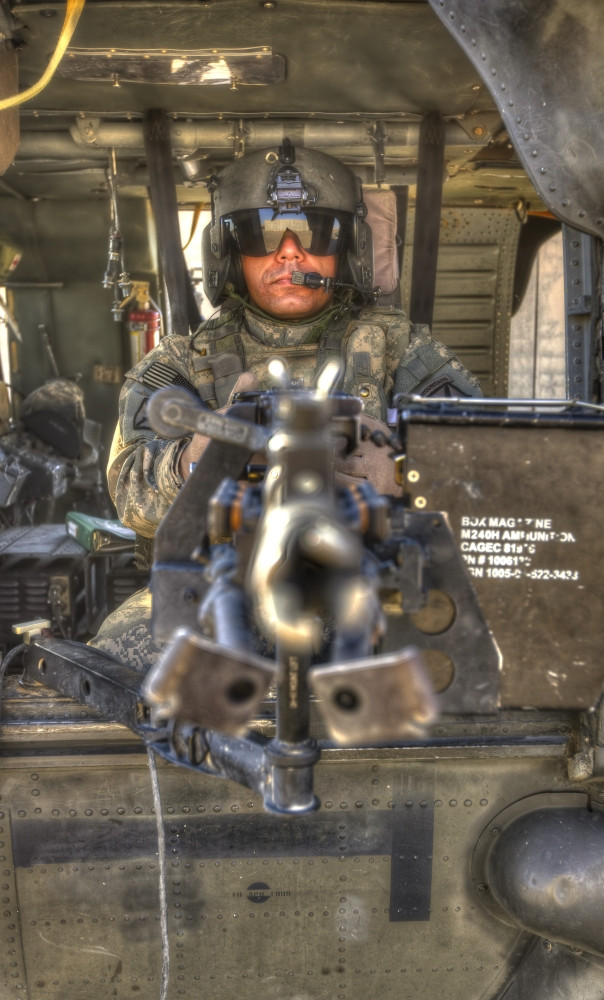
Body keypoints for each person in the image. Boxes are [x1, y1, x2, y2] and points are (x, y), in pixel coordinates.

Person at [90, 139, 481, 670]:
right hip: (226, 583)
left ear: (347, 248)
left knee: (468, 659)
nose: (290, 253)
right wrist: (193, 460)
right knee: (122, 660)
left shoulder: (406, 352)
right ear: (231, 252)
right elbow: (129, 495)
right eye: (264, 233)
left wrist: (406, 474)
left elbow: (487, 478)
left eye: (316, 232)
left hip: (378, 581)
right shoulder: (181, 364)